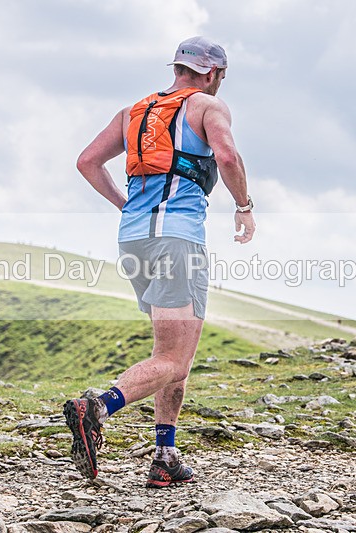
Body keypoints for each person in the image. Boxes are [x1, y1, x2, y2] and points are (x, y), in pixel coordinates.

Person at [66, 36, 255, 487]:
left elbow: (88, 161)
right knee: (172, 357)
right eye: (221, 79)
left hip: (133, 242)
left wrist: (123, 205)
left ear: (179, 68)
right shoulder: (209, 107)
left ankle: (164, 456)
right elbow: (226, 155)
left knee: (174, 356)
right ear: (212, 74)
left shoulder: (132, 113)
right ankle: (97, 406)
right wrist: (244, 205)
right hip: (178, 240)